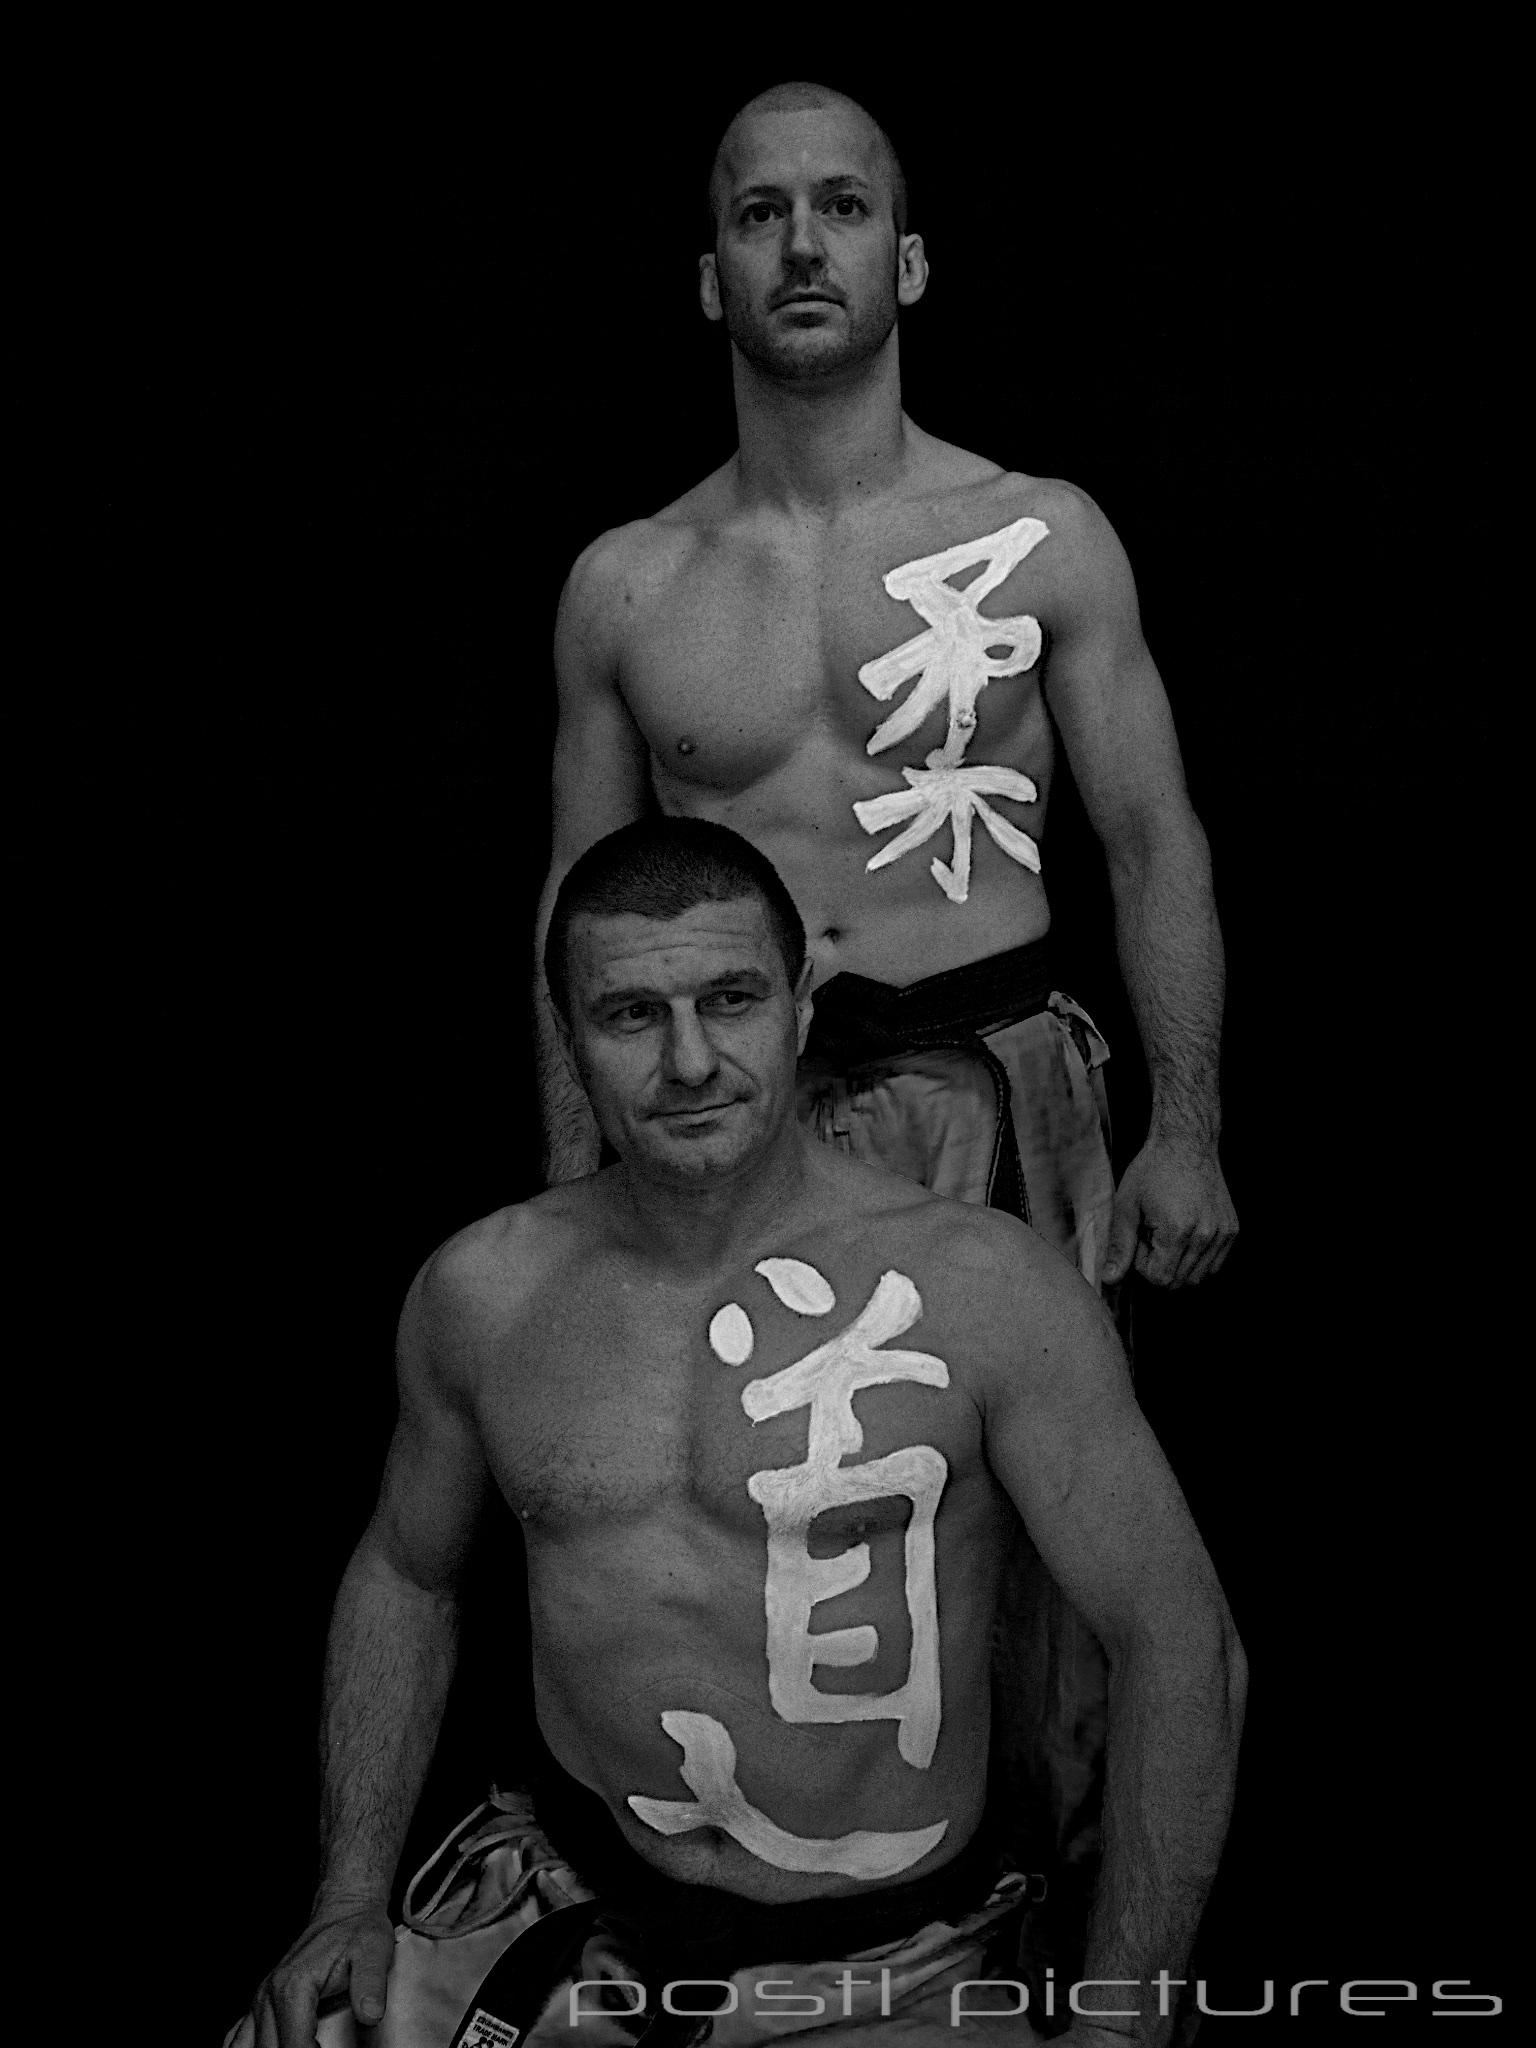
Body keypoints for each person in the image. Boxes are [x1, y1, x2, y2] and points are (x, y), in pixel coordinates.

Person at [535, 78, 1239, 1955]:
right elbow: (576, 903)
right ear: (710, 275)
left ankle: (1063, 1953)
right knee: (743, 1537)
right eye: (760, 212)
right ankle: (782, 1934)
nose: (803, 244)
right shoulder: (629, 582)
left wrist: (1189, 1124)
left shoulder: (1040, 535)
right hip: (733, 1108)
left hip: (1006, 1082)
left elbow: (1150, 834)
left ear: (907, 259)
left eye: (842, 206)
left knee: (1052, 1573)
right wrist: (567, 1178)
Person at [233, 820, 1244, 2048]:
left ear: (800, 1006)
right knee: (294, 2032)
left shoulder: (989, 1289)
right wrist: (347, 1894)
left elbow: (1179, 1638)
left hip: (897, 1963)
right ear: (568, 1034)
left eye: (732, 999)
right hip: (578, 1912)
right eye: (632, 1014)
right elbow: (406, 1573)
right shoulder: (486, 1292)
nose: (691, 1059)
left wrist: (1123, 2021)